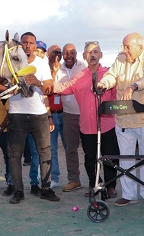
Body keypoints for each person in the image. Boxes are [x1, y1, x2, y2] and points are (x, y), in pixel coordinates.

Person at [97, 33, 144, 206]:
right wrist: (103, 83)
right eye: (123, 46)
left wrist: (134, 86)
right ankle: (129, 194)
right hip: (123, 119)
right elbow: (111, 75)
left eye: (128, 47)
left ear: (140, 47)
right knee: (125, 159)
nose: (124, 50)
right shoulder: (120, 59)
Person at [54, 42, 119, 197]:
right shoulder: (80, 75)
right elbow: (63, 88)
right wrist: (43, 81)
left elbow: (118, 97)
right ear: (84, 57)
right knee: (90, 158)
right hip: (87, 125)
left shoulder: (110, 74)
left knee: (110, 156)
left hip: (107, 124)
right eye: (89, 52)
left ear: (101, 55)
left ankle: (110, 186)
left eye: (95, 51)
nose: (92, 55)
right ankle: (95, 184)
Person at [7, 32, 59, 204]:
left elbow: (49, 89)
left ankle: (46, 189)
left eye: (31, 43)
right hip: (16, 114)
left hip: (39, 115)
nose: (28, 45)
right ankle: (18, 191)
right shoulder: (11, 60)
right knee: (15, 155)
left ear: (35, 46)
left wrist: (38, 82)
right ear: (20, 44)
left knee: (45, 151)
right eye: (24, 42)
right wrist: (9, 89)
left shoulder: (42, 63)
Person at [57, 44, 87, 193]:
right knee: (71, 148)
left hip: (86, 114)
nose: (69, 56)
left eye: (72, 53)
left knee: (90, 149)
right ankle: (74, 180)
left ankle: (96, 180)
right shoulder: (58, 69)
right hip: (68, 115)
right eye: (66, 53)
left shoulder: (84, 67)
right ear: (62, 54)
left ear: (77, 54)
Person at [46, 44, 64, 188]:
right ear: (48, 54)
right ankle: (55, 178)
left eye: (60, 53)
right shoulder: (45, 69)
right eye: (54, 53)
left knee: (69, 147)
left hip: (65, 114)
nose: (57, 56)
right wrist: (53, 71)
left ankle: (73, 179)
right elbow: (48, 89)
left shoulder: (64, 70)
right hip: (51, 115)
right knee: (52, 149)